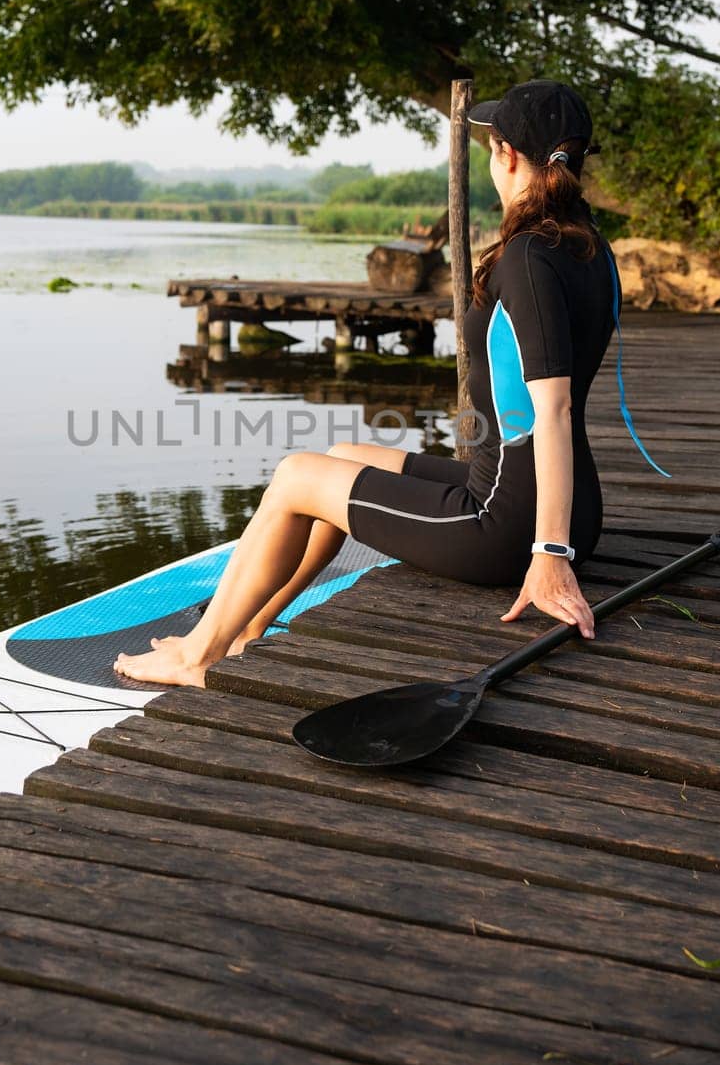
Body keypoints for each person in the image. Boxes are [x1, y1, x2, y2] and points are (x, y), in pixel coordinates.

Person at [116, 79, 618, 688]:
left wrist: (549, 554)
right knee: (341, 457)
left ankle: (198, 657)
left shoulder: (530, 258)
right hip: (560, 503)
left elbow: (555, 411)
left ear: (505, 155)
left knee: (296, 474)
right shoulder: (591, 249)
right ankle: (249, 626)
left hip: (510, 524)